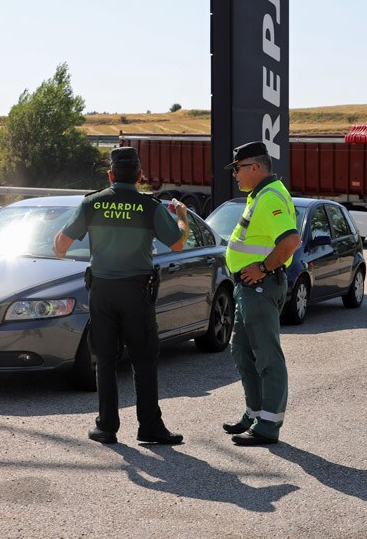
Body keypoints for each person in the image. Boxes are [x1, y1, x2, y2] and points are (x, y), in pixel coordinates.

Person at [53, 146, 189, 445]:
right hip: (136, 291)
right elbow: (178, 244)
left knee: (105, 358)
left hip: (101, 290)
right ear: (139, 176)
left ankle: (106, 427)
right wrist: (181, 216)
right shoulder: (149, 207)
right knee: (143, 358)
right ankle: (150, 427)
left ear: (111, 174)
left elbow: (60, 245)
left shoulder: (91, 204)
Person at [221, 142, 301, 446]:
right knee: (241, 351)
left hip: (259, 286)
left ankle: (268, 426)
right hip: (248, 287)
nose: (235, 175)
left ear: (255, 167)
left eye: (238, 169)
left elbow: (290, 241)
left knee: (266, 354)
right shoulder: (260, 195)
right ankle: (254, 414)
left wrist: (264, 268)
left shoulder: (269, 198)